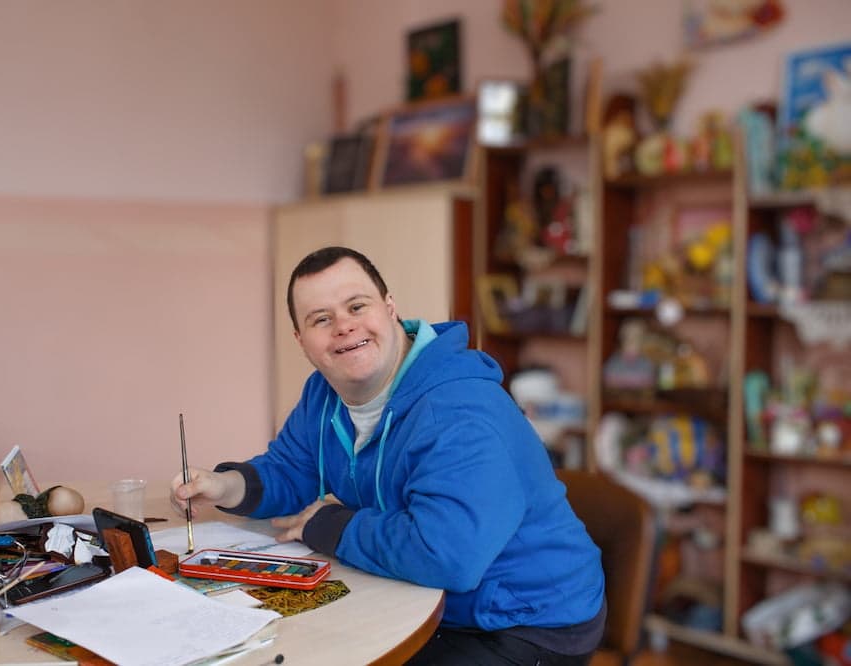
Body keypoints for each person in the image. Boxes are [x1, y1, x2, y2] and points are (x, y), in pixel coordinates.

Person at [171, 246, 605, 665]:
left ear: (390, 307)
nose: (343, 326)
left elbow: (448, 556)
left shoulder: (459, 410)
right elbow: (293, 468)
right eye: (322, 319)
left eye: (357, 307)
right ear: (301, 341)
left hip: (526, 621)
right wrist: (224, 485)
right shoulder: (324, 394)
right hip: (427, 599)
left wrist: (330, 525)